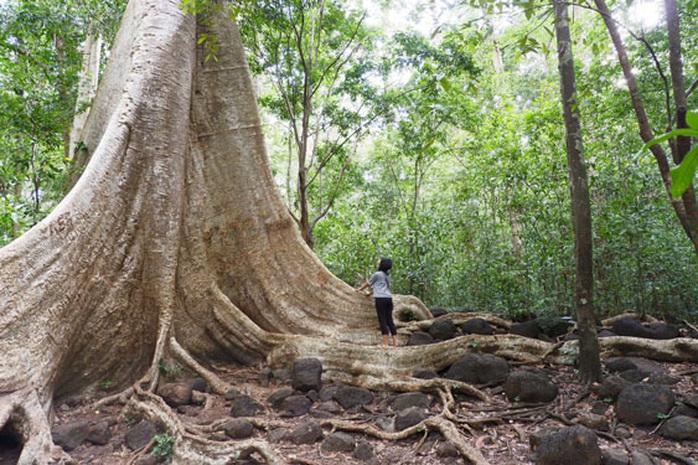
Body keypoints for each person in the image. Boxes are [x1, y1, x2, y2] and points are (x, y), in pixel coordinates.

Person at [356, 258, 398, 347]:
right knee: (389, 320)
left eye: (380, 261)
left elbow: (369, 283)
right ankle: (395, 342)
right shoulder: (387, 275)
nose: (378, 262)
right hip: (388, 298)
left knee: (382, 319)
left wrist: (360, 289)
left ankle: (385, 343)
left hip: (380, 299)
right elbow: (382, 287)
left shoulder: (377, 274)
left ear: (382, 264)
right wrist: (370, 293)